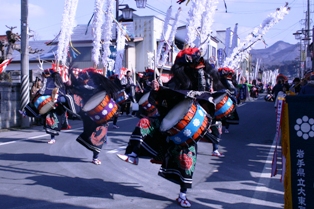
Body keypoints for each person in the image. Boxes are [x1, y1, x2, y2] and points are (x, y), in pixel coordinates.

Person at [117, 47, 229, 208]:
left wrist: (210, 101)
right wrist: (157, 90)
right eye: (195, 64)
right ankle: (133, 154)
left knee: (187, 160)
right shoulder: (178, 80)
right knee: (144, 123)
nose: (199, 67)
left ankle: (182, 195)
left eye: (200, 64)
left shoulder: (210, 78)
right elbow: (164, 98)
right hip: (173, 120)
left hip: (192, 124)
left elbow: (218, 98)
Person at [69, 68, 120, 165]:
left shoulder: (99, 85)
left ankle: (95, 157)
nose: (83, 80)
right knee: (90, 133)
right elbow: (74, 87)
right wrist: (70, 76)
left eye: (84, 78)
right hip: (89, 114)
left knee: (99, 133)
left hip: (101, 113)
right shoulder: (81, 87)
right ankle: (95, 149)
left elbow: (110, 92)